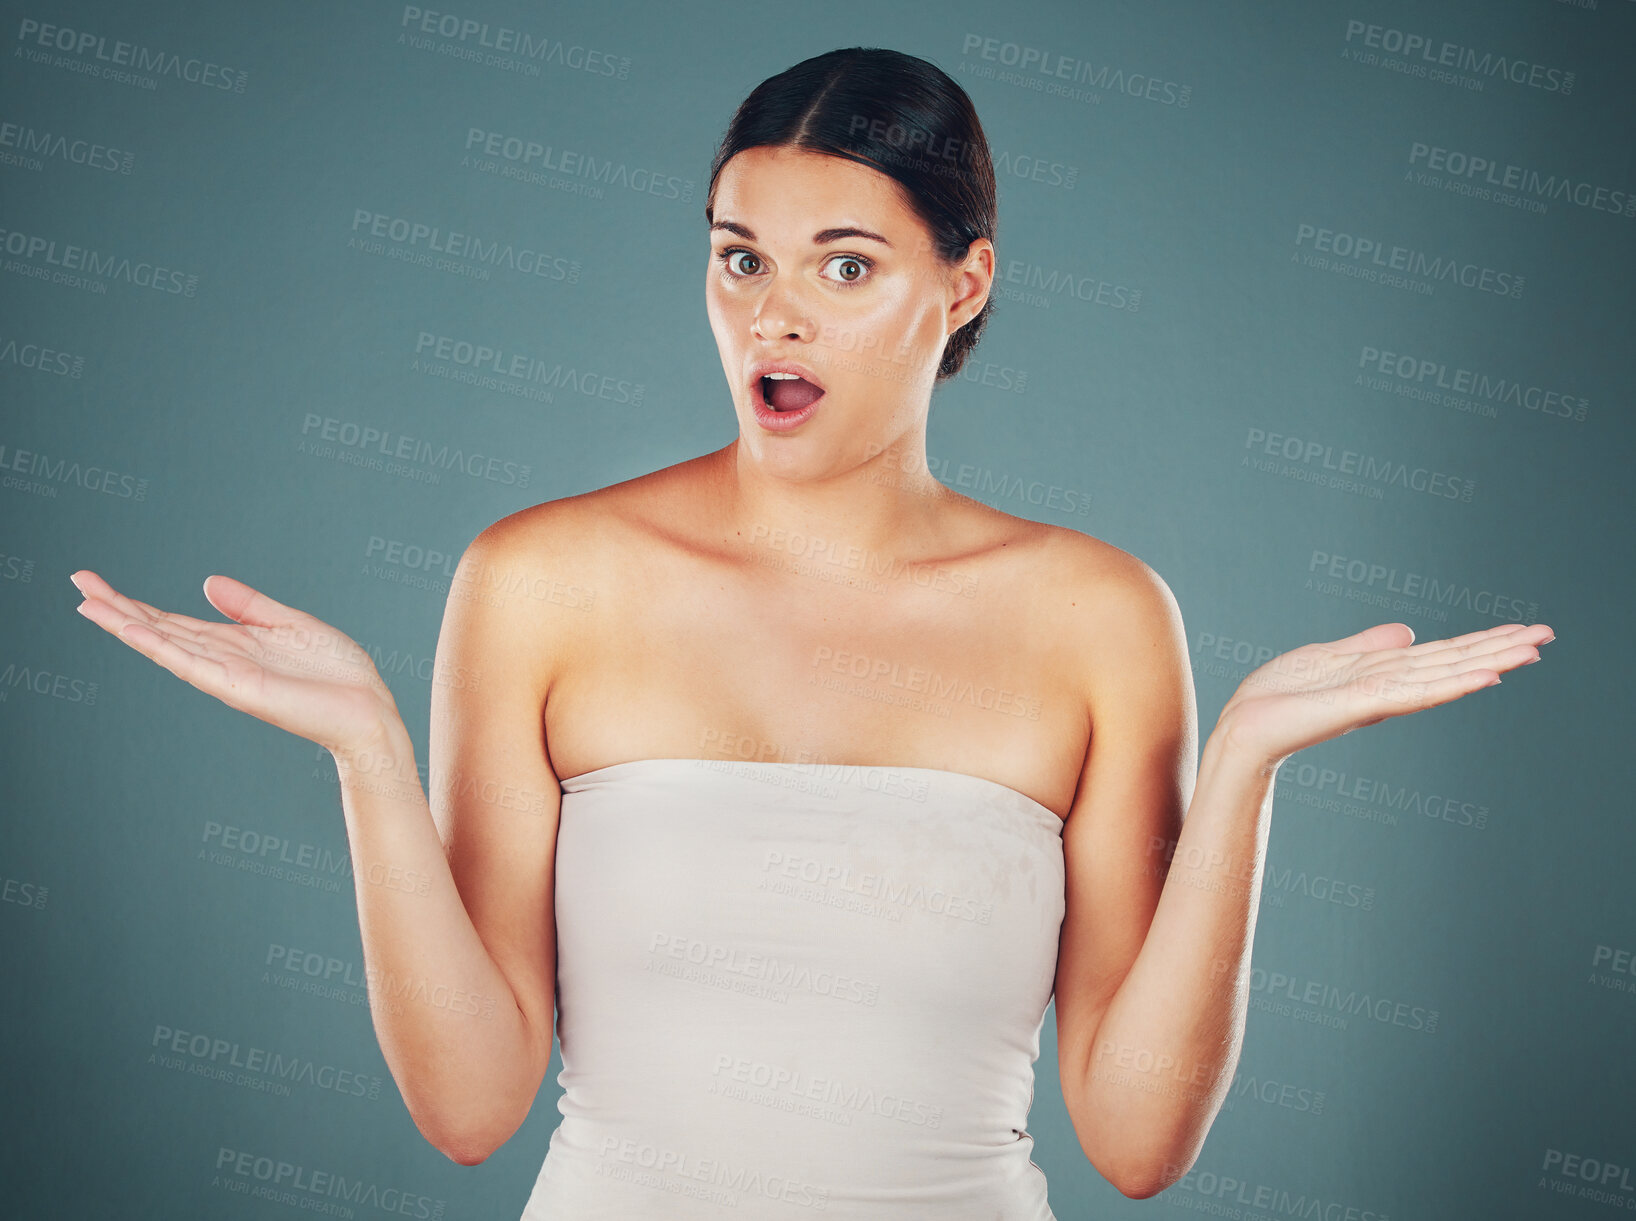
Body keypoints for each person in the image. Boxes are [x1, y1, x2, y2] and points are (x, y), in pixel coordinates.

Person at [70, 46, 1553, 1219]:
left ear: (961, 284)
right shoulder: (540, 578)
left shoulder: (1101, 616)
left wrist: (1242, 772)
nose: (775, 316)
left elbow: (1137, 1138)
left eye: (847, 266)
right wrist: (368, 759)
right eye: (741, 258)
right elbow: (470, 1109)